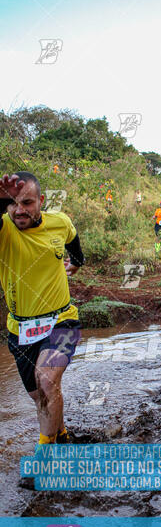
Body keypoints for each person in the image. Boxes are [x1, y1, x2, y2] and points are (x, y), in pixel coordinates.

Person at [0, 172, 84, 446]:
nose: (19, 210)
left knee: (47, 381)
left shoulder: (58, 222)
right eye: (13, 203)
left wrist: (77, 261)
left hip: (62, 320)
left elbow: (72, 236)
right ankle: (61, 437)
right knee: (40, 396)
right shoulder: (5, 228)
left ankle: (46, 458)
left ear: (41, 201)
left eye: (27, 202)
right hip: (19, 329)